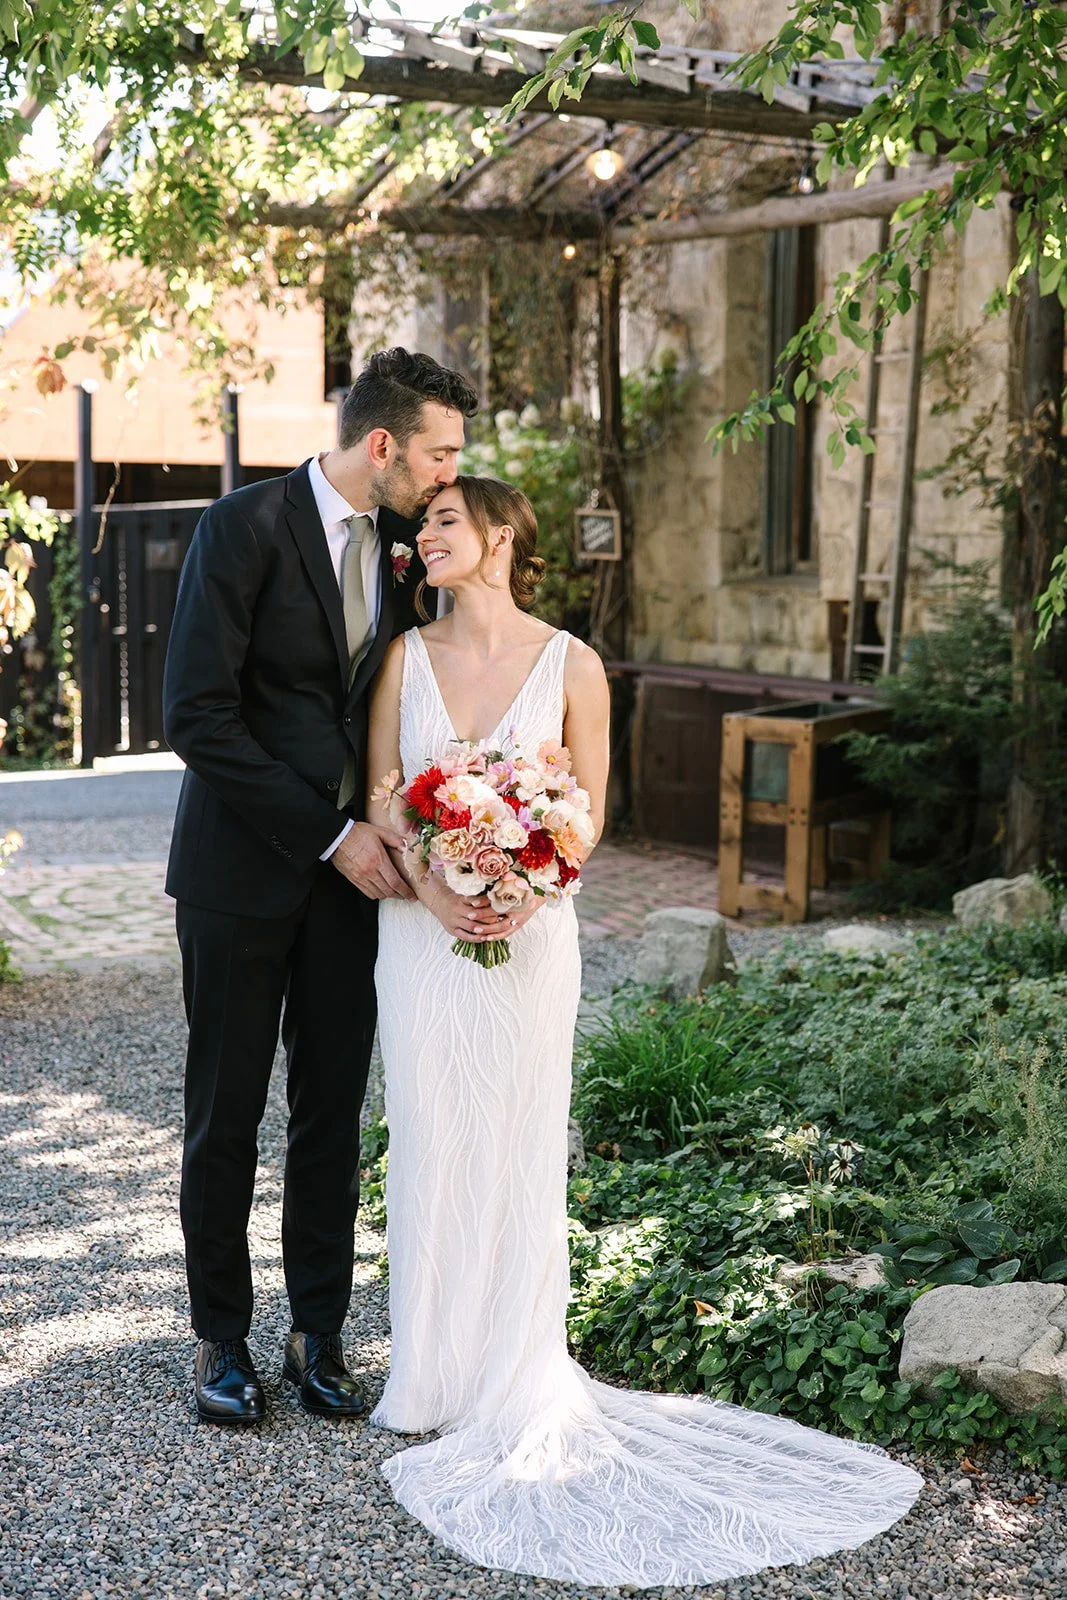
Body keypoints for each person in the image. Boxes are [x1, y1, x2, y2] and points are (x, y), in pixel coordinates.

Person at [365, 475, 922, 1588]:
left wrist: (527, 882)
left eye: (438, 520)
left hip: (529, 937)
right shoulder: (401, 658)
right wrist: (435, 885)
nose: (418, 535)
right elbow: (384, 788)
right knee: (428, 1131)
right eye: (418, 522)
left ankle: (515, 1367)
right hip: (422, 936)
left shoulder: (572, 662)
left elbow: (588, 810)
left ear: (496, 536)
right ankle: (426, 1372)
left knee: (519, 1136)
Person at [162, 348, 495, 1426]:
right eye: (440, 451)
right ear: (383, 444)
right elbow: (196, 715)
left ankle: (318, 1333)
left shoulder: (412, 546)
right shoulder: (242, 528)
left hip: (362, 882)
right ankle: (220, 1337)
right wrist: (327, 833)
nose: (450, 475)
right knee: (225, 1109)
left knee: (331, 1112)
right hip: (241, 871)